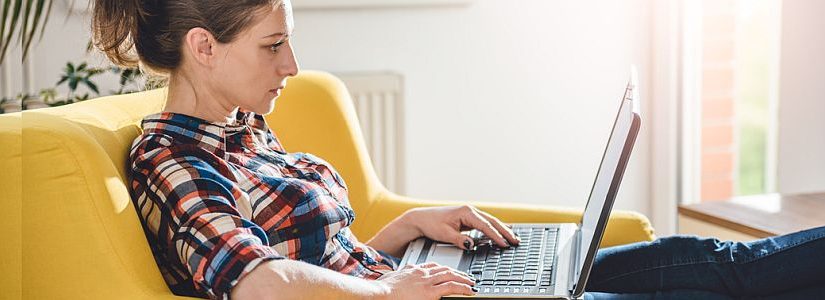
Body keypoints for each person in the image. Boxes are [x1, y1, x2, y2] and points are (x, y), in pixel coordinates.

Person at [90, 0, 825, 299]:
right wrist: (387, 293)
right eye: (274, 45)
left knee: (719, 266)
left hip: (414, 288)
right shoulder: (174, 162)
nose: (292, 66)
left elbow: (317, 258)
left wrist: (399, 236)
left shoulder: (240, 126)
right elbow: (261, 283)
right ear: (203, 49)